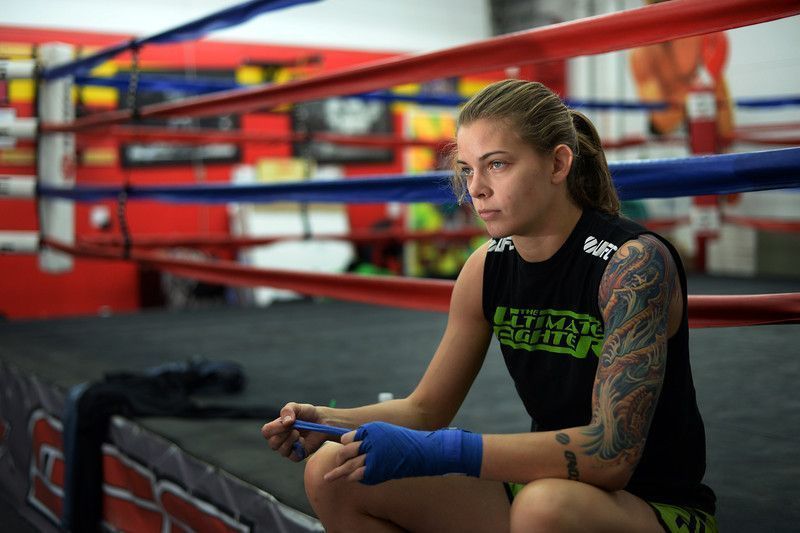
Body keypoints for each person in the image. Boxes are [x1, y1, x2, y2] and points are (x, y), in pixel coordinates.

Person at [261, 79, 717, 533]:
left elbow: (610, 456)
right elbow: (424, 411)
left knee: (546, 507)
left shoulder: (631, 264)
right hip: (545, 488)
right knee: (334, 472)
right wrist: (326, 421)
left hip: (656, 509)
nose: (476, 188)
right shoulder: (487, 266)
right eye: (467, 169)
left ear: (558, 163)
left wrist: (445, 450)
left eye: (496, 165)